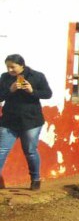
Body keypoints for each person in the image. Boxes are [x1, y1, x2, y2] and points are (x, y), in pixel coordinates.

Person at [0, 54, 52, 191]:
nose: (10, 70)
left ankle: (35, 180)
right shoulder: (5, 78)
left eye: (13, 67)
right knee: (2, 150)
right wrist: (10, 90)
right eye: (8, 67)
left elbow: (48, 93)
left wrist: (32, 91)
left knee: (30, 151)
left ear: (22, 65)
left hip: (31, 120)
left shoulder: (37, 76)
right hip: (9, 120)